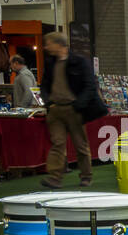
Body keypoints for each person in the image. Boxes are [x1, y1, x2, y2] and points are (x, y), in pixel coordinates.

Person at [39, 32, 97, 187]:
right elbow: (44, 85)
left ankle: (86, 175)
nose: (46, 47)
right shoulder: (50, 63)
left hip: (74, 109)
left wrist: (79, 104)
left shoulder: (79, 62)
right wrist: (48, 102)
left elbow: (90, 85)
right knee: (57, 143)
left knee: (80, 145)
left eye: (48, 43)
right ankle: (55, 177)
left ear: (59, 44)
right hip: (55, 109)